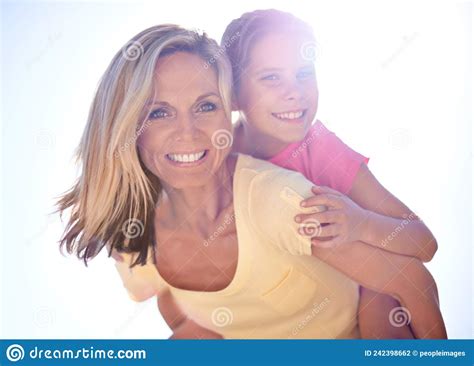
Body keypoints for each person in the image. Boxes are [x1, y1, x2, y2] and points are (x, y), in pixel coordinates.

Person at [55, 24, 446, 339]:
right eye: (159, 113)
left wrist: (360, 223)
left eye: (206, 106)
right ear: (238, 100)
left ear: (226, 107)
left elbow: (419, 255)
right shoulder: (140, 225)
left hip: (359, 299)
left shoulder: (300, 171)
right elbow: (168, 300)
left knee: (379, 305)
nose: (189, 132)